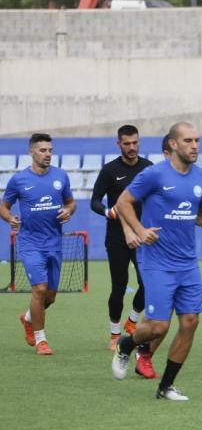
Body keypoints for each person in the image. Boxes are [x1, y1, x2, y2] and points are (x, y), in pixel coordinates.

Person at [111, 122, 202, 400]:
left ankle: (166, 386)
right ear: (172, 144)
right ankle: (126, 344)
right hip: (157, 261)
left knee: (190, 321)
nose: (194, 146)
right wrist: (139, 230)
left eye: (197, 140)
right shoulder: (154, 174)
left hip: (188, 263)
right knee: (159, 326)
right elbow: (123, 202)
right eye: (188, 141)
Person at [0, 133, 75, 355]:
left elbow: (71, 202)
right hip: (30, 243)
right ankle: (41, 340)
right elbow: (3, 206)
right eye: (43, 150)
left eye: (50, 150)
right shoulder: (19, 180)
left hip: (54, 242)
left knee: (49, 297)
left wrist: (68, 210)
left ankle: (28, 318)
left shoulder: (61, 176)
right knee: (40, 289)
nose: (48, 154)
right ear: (31, 152)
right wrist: (10, 218)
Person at [90, 125, 153, 356]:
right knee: (119, 286)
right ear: (119, 144)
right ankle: (115, 334)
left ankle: (132, 320)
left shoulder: (148, 168)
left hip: (141, 234)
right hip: (116, 236)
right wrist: (107, 212)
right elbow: (95, 200)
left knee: (148, 283)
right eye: (127, 143)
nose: (132, 147)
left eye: (135, 142)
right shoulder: (109, 170)